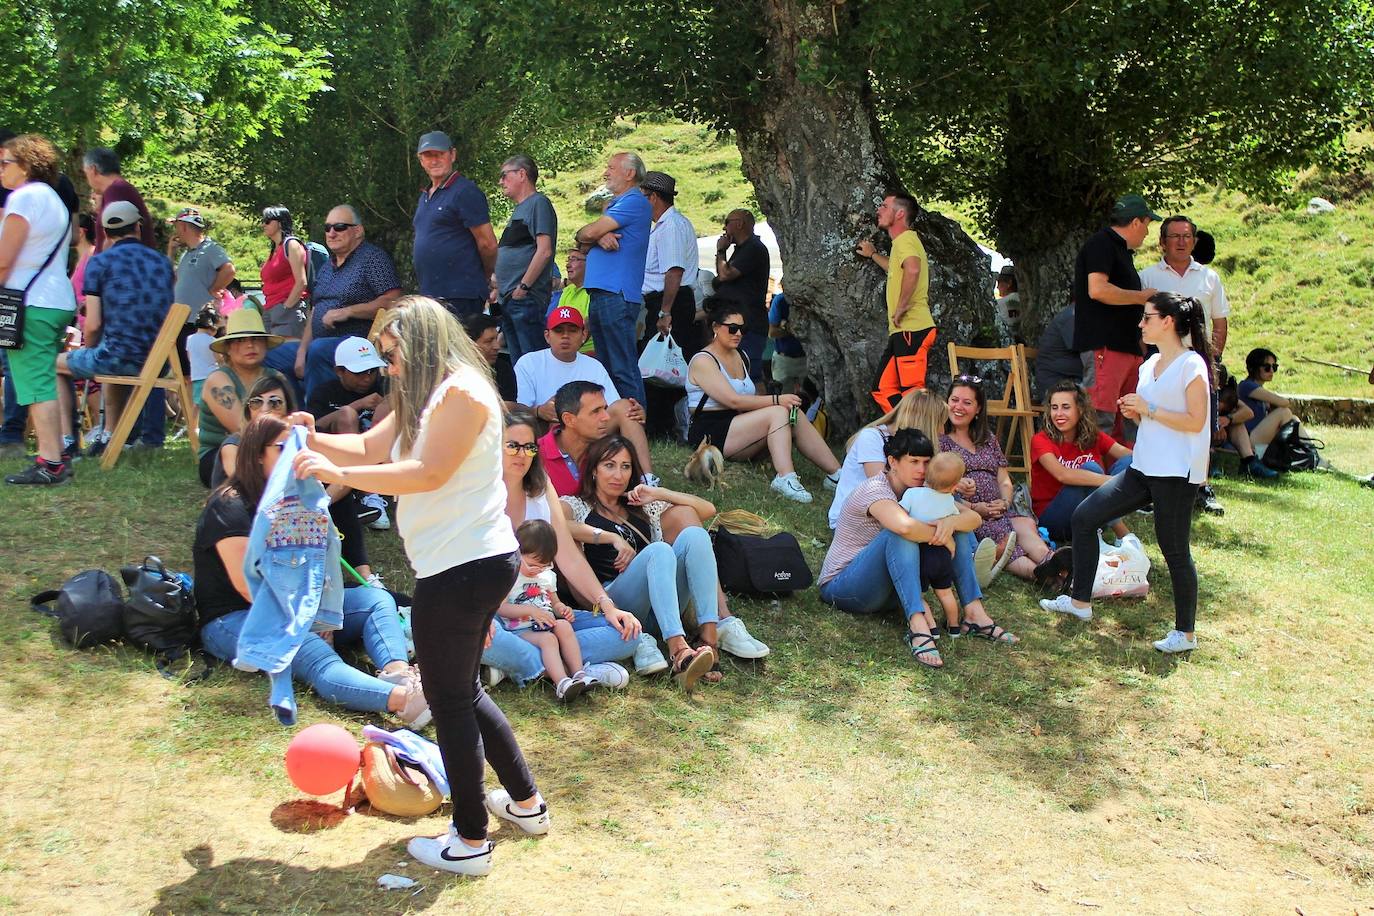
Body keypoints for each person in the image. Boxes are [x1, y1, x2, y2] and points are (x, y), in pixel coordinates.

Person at [292, 295, 547, 877]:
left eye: (392, 352)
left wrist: (340, 475)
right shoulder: (424, 392)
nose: (388, 365)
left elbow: (426, 472)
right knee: (462, 694)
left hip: (464, 569)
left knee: (449, 700)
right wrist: (310, 440)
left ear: (422, 342)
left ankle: (469, 840)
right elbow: (372, 447)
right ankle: (526, 804)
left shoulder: (461, 392)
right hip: (460, 565)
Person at [194, 415, 430, 730]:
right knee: (313, 651)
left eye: (300, 446)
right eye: (284, 448)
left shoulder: (300, 500)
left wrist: (323, 611)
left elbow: (320, 566)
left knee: (375, 599)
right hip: (237, 617)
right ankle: (404, 700)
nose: (296, 455)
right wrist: (310, 619)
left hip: (299, 603)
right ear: (256, 454)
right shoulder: (230, 507)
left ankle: (398, 671)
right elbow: (248, 587)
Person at [1041, 292, 1213, 654]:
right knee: (1085, 517)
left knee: (1174, 549)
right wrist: (1136, 412)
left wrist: (1147, 408)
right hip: (1143, 467)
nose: (1140, 323)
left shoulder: (1191, 364)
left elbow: (1196, 421)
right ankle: (1080, 603)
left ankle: (1185, 634)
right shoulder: (1150, 365)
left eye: (1147, 317)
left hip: (1176, 473)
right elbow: (1155, 414)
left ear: (1167, 322)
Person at [820, 428, 1017, 669]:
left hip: (891, 587)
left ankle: (974, 614)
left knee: (955, 525)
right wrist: (945, 536)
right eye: (913, 461)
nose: (921, 470)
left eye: (926, 462)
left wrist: (951, 523)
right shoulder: (875, 489)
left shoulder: (924, 490)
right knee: (901, 533)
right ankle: (917, 625)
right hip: (845, 586)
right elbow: (903, 527)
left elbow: (973, 519)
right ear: (892, 462)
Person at [481, 406, 642, 688]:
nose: (522, 454)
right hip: (496, 611)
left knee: (627, 633)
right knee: (474, 635)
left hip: (543, 613)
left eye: (530, 447)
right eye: (513, 446)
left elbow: (569, 557)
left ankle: (529, 665)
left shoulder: (541, 489)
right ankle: (570, 666)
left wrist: (607, 606)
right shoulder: (478, 494)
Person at [559, 435, 721, 690]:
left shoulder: (641, 506)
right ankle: (678, 649)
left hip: (661, 608)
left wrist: (657, 492)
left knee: (695, 535)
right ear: (593, 470)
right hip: (616, 602)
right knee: (659, 551)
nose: (618, 475)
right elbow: (555, 524)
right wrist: (610, 537)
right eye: (609, 465)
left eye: (626, 466)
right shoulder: (577, 505)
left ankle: (709, 638)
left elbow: (708, 509)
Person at [211, 377, 381, 583]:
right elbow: (246, 486)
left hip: (295, 516)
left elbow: (340, 477)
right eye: (256, 402)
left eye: (274, 402)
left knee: (334, 497)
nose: (265, 408)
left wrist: (320, 502)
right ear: (248, 411)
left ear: (289, 413)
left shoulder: (297, 443)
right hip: (253, 516)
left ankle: (366, 576)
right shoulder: (234, 445)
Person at [685, 303, 840, 504]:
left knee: (793, 413)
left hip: (740, 425)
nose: (738, 333)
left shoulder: (741, 356)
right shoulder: (703, 360)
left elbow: (750, 398)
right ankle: (785, 477)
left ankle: (836, 474)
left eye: (743, 329)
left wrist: (780, 403)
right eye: (732, 328)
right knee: (778, 412)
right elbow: (733, 400)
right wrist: (777, 400)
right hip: (711, 430)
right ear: (715, 327)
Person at [60, 200, 174, 459]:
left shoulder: (99, 263)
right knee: (113, 351)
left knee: (52, 364)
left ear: (105, 232)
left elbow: (93, 324)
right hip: (158, 362)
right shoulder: (162, 263)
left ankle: (68, 441)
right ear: (138, 226)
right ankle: (110, 435)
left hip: (119, 358)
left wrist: (88, 351)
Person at [941, 375, 1072, 587]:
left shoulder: (987, 439)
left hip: (999, 510)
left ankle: (1057, 565)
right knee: (1001, 535)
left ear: (978, 409)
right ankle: (1046, 577)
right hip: (969, 515)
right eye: (955, 400)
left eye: (967, 402)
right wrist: (974, 506)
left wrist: (1005, 502)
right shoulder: (941, 441)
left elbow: (1004, 480)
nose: (959, 407)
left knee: (1024, 525)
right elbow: (938, 489)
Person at [1, 134, 78, 485]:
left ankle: (50, 463)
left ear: (26, 165)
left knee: (34, 383)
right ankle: (56, 456)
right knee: (42, 379)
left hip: (30, 303)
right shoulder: (54, 200)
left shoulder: (24, 197)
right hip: (53, 300)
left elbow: (4, 261)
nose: (1, 169)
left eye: (5, 163)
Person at [516, 306, 656, 481]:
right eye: (558, 331)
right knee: (559, 422)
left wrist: (634, 412)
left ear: (583, 335)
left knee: (627, 409)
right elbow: (519, 410)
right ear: (547, 336)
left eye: (572, 330)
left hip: (590, 428)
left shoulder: (594, 365)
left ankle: (647, 480)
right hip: (550, 432)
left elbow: (614, 406)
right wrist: (539, 411)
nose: (565, 336)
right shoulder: (528, 362)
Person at [283, 205, 401, 398]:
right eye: (327, 228)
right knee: (273, 355)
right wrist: (301, 350)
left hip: (361, 343)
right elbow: (316, 310)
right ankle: (297, 411)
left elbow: (393, 300)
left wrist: (348, 311)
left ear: (358, 231)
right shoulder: (327, 267)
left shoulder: (372, 258)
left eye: (339, 227)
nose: (331, 233)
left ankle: (321, 418)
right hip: (319, 342)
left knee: (318, 350)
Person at [1073, 193, 1162, 438]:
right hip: (1106, 345)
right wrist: (1141, 297)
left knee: (1126, 418)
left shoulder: (1120, 250)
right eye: (1147, 224)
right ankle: (1092, 472)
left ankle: (1123, 472)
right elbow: (1098, 289)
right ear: (1135, 222)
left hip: (1125, 347)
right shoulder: (1101, 243)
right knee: (1101, 415)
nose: (1146, 232)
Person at [574, 151, 652, 410]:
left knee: (621, 365)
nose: (605, 172)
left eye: (611, 167)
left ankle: (636, 424)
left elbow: (588, 233)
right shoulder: (620, 204)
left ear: (630, 173)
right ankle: (619, 424)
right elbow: (582, 238)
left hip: (615, 295)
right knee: (607, 366)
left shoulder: (634, 201)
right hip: (604, 294)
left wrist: (594, 234)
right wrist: (595, 237)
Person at [497, 520, 595, 701]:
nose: (538, 570)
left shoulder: (546, 576)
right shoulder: (511, 576)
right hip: (521, 630)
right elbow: (501, 608)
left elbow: (554, 602)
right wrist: (529, 610)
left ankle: (579, 674)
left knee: (564, 626)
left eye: (545, 565)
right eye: (533, 564)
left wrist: (562, 609)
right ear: (518, 552)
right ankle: (561, 683)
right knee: (549, 639)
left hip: (546, 625)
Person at [827, 388, 948, 529]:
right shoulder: (872, 437)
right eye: (940, 423)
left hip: (896, 515)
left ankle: (970, 550)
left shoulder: (917, 449)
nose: (942, 431)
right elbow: (882, 488)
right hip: (856, 523)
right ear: (925, 422)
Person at [856, 194, 935, 410]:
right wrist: (873, 254)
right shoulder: (902, 243)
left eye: (884, 205)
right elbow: (897, 268)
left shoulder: (906, 239)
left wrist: (902, 305)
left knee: (913, 392)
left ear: (900, 213)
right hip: (903, 331)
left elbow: (913, 268)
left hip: (913, 328)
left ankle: (924, 439)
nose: (879, 209)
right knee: (882, 388)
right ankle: (905, 433)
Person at [1030, 381, 1134, 544]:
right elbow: (1062, 475)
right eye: (1054, 407)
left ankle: (1108, 521)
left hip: (1094, 510)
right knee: (1090, 469)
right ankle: (1124, 535)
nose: (1058, 414)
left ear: (1080, 409)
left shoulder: (1093, 436)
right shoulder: (1040, 440)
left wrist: (1139, 420)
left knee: (1131, 462)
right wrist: (1114, 483)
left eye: (1065, 407)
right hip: (1055, 520)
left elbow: (1129, 455)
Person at [197, 309, 287, 486]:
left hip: (269, 450)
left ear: (265, 344)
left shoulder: (276, 378)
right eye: (241, 340)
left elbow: (286, 423)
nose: (250, 345)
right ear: (229, 348)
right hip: (221, 454)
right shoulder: (218, 380)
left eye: (256, 339)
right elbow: (243, 428)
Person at [412, 131, 496, 319]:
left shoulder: (465, 191)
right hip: (432, 295)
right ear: (421, 160)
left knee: (457, 347)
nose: (434, 160)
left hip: (460, 296)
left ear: (452, 155)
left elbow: (488, 244)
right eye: (428, 155)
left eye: (439, 154)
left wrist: (485, 275)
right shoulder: (425, 195)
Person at [494, 154, 557, 362]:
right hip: (510, 299)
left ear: (522, 174)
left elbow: (545, 250)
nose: (500, 181)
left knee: (533, 363)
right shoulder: (521, 209)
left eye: (504, 175)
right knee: (520, 366)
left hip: (525, 299)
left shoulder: (538, 203)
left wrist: (524, 287)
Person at [898, 451, 967, 637]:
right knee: (945, 593)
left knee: (919, 595)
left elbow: (899, 514)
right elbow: (955, 520)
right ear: (954, 486)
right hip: (942, 554)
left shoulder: (912, 494)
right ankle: (953, 627)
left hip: (921, 553)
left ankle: (931, 628)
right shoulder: (950, 502)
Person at [640, 171, 700, 355]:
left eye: (642, 198)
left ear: (653, 198)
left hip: (671, 301)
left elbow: (674, 271)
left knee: (663, 365)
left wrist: (665, 312)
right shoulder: (666, 225)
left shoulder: (671, 226)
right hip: (668, 301)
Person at [709, 209, 771, 377]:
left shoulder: (754, 248)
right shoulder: (741, 249)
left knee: (750, 373)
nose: (724, 228)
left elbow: (725, 274)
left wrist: (721, 250)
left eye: (727, 222)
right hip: (738, 322)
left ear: (739, 223)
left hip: (749, 324)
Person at [537, 380, 616, 497]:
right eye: (596, 411)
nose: (606, 417)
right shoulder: (535, 456)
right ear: (568, 419)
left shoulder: (608, 452)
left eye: (605, 408)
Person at [1239, 348, 1313, 457]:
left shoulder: (1256, 388)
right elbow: (1284, 403)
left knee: (1294, 419)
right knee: (1284, 412)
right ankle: (1305, 452)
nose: (1272, 371)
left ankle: (1309, 451)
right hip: (1247, 439)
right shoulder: (1247, 385)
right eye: (1267, 367)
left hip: (1256, 435)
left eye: (1274, 367)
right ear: (1254, 368)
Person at [81, 147, 154, 250]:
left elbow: (116, 238)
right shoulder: (119, 189)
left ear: (93, 170)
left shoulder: (116, 190)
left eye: (85, 173)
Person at [167, 207, 234, 310]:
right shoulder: (186, 254)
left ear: (183, 226)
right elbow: (172, 279)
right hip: (181, 318)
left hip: (201, 320)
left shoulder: (211, 248)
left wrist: (215, 289)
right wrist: (171, 252)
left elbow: (229, 270)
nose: (175, 232)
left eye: (176, 226)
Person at [258, 205, 309, 338]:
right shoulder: (274, 250)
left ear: (280, 223)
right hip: (270, 309)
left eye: (268, 221)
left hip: (288, 310)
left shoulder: (291, 245)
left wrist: (285, 308)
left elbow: (301, 282)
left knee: (285, 354)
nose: (264, 224)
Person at [461, 313, 517, 403]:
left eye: (496, 339)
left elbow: (509, 406)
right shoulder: (453, 373)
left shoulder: (503, 369)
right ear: (469, 344)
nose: (497, 346)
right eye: (488, 341)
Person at [1035, 302, 1087, 396]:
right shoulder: (1072, 316)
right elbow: (1084, 347)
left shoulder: (1077, 313)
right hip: (1055, 386)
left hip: (1069, 381)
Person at [768, 286, 807, 394]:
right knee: (782, 397)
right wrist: (793, 328)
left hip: (806, 358)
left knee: (809, 399)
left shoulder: (810, 300)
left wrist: (785, 326)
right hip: (784, 359)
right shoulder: (780, 301)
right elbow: (772, 332)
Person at [186, 303, 222, 408]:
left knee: (197, 404)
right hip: (211, 376)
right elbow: (219, 359)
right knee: (213, 404)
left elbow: (190, 358)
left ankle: (193, 423)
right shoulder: (213, 341)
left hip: (196, 375)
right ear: (213, 327)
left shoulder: (189, 339)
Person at [995, 265, 1023, 339]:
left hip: (1008, 344)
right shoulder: (1026, 301)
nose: (997, 287)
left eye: (999, 282)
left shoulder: (999, 303)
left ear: (1009, 283)